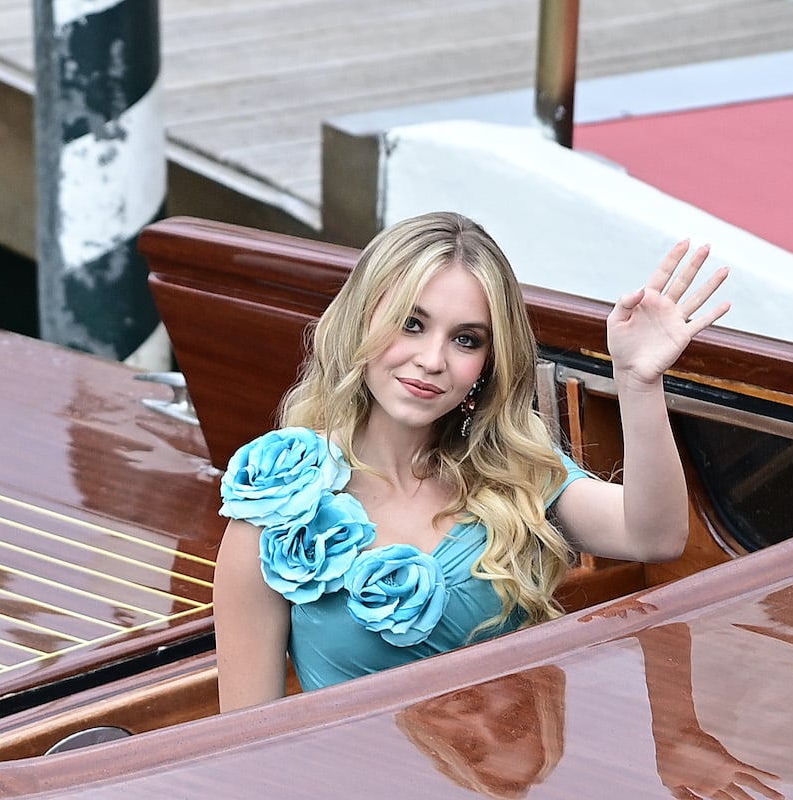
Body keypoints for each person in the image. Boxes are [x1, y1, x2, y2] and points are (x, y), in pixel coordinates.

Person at [213, 211, 730, 712]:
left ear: (487, 363)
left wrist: (638, 383)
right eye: (411, 323)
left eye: (465, 339)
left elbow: (655, 538)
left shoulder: (514, 473)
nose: (433, 360)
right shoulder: (277, 505)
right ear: (361, 322)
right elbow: (243, 744)